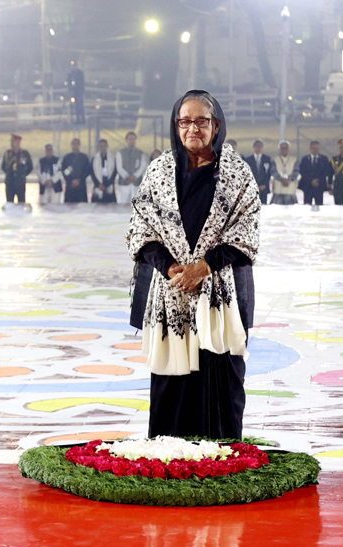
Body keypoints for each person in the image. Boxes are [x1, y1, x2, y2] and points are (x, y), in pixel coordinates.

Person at [127, 89, 259, 439]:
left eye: (201, 121)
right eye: (185, 121)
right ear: (176, 126)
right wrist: (172, 268)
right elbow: (140, 227)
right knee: (172, 383)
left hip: (218, 295)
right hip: (170, 295)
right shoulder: (159, 172)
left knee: (220, 376)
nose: (193, 129)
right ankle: (170, 461)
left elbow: (246, 231)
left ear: (216, 125)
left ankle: (221, 460)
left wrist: (204, 266)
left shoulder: (236, 173)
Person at [298, 140, 333, 206]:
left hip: (319, 187)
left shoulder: (324, 159)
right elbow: (302, 171)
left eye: (317, 148)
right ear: (310, 148)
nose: (315, 150)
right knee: (307, 206)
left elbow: (326, 171)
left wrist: (317, 180)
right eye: (313, 148)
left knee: (319, 205)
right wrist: (311, 181)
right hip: (307, 187)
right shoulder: (305, 159)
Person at [116, 132, 147, 203]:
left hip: (137, 183)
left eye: (133, 139)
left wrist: (135, 176)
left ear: (136, 140)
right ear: (126, 140)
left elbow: (142, 166)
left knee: (137, 204)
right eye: (129, 139)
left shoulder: (141, 153)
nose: (131, 141)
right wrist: (127, 176)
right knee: (123, 204)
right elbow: (119, 167)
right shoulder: (120, 153)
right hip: (124, 183)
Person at [2, 134, 32, 204]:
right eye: (11, 141)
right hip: (10, 182)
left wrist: (22, 174)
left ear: (18, 142)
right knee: (9, 203)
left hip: (20, 183)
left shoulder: (24, 153)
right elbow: (3, 166)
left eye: (14, 141)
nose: (12, 143)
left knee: (21, 203)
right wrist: (9, 173)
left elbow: (30, 167)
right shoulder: (7, 153)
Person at [61, 137, 92, 203]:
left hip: (81, 186)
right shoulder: (67, 157)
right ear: (71, 145)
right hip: (70, 185)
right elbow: (64, 171)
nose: (75, 146)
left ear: (79, 145)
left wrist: (79, 180)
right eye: (73, 144)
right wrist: (71, 181)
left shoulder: (84, 157)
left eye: (77, 144)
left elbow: (87, 171)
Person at [271, 140, 299, 205]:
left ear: (289, 149)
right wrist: (281, 180)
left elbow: (296, 172)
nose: (284, 150)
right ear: (279, 149)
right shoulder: (275, 160)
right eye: (282, 148)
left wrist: (288, 180)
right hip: (278, 190)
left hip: (290, 190)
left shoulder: (294, 160)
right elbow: (273, 172)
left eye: (286, 148)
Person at [244, 139, 272, 205]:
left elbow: (269, 174)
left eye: (260, 146)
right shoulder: (248, 160)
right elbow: (247, 174)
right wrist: (254, 185)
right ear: (254, 147)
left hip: (263, 188)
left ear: (262, 147)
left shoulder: (267, 159)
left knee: (264, 205)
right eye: (256, 146)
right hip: (252, 188)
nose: (258, 148)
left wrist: (264, 185)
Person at [91, 138, 117, 203]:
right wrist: (98, 184)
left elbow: (114, 172)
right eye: (101, 146)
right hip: (98, 186)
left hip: (109, 185)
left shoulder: (112, 158)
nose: (103, 148)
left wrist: (107, 184)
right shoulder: (94, 159)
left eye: (104, 146)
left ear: (107, 146)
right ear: (98, 147)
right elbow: (92, 173)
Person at [66, 60, 86, 125]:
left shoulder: (80, 73)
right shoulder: (70, 74)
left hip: (79, 91)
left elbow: (81, 83)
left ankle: (82, 119)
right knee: (76, 106)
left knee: (80, 105)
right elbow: (69, 82)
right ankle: (77, 119)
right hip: (74, 92)